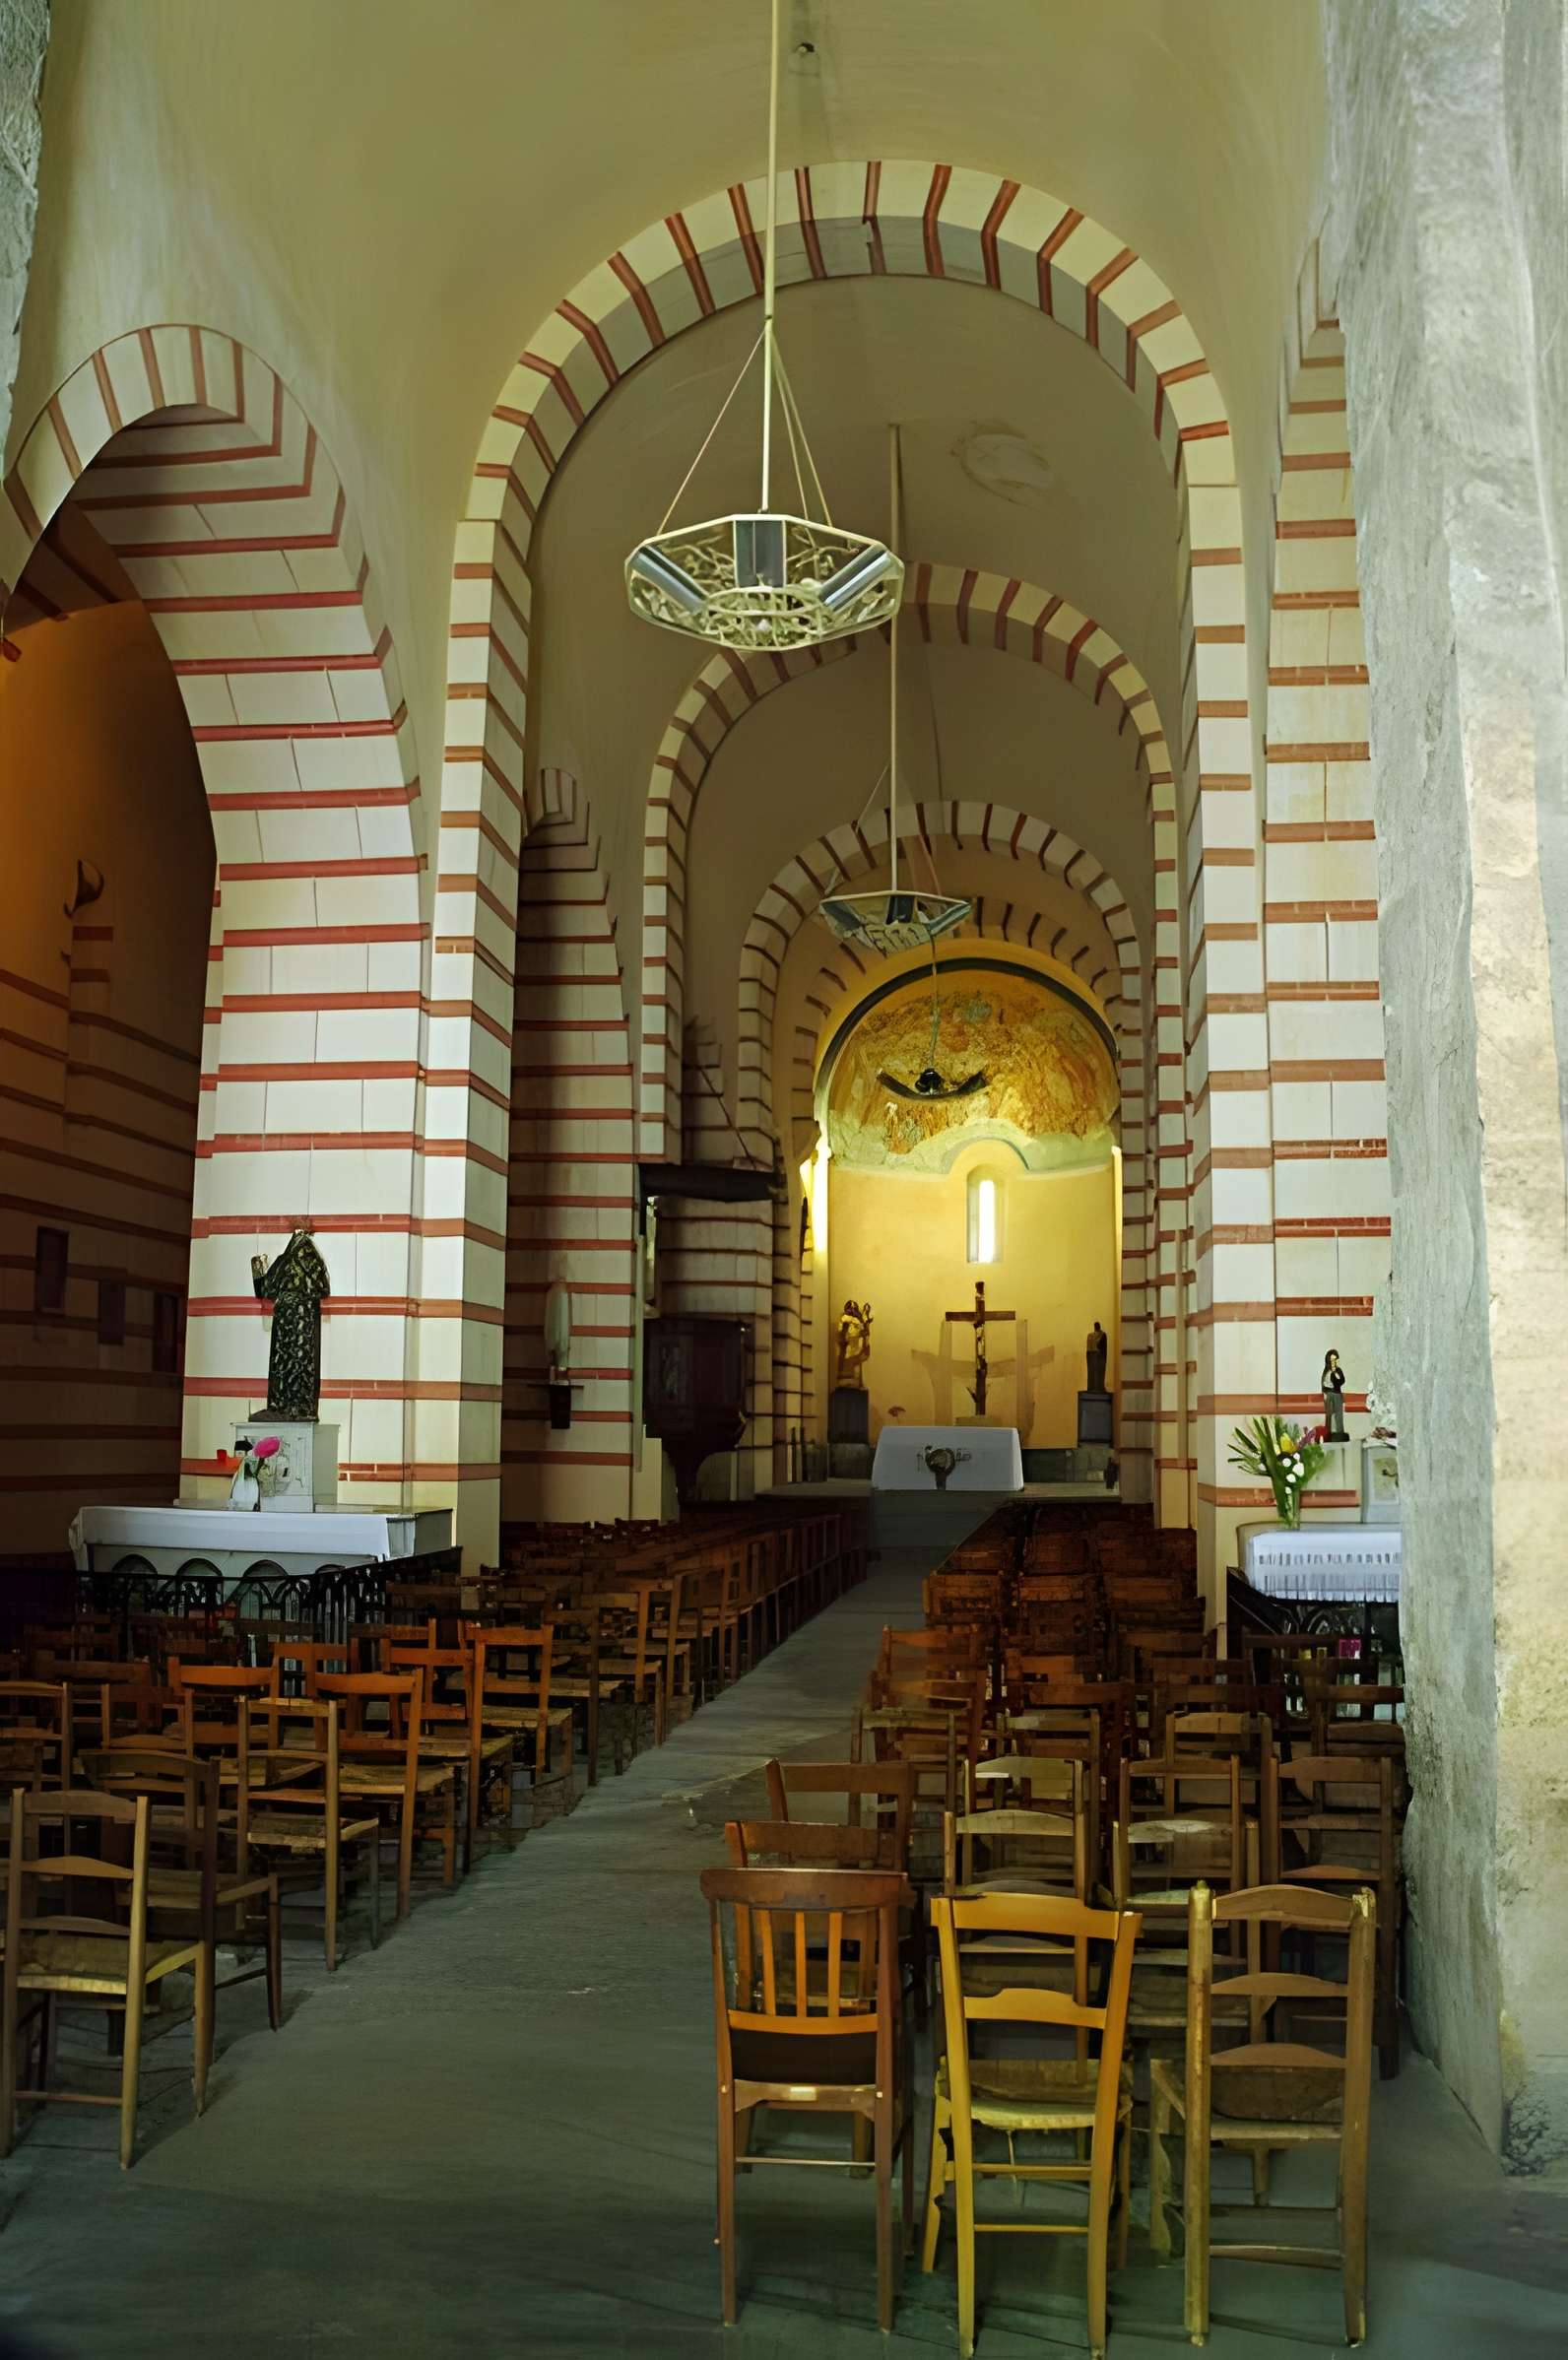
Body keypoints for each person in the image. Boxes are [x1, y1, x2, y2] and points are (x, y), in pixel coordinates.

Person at [836, 1298, 873, 1388]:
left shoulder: (857, 1320)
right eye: (850, 1307)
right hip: (848, 1348)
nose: (852, 1310)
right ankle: (848, 1380)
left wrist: (864, 1329)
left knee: (856, 1366)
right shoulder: (844, 1319)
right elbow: (842, 1332)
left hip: (856, 1347)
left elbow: (862, 1330)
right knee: (848, 1364)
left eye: (854, 1307)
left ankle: (856, 1382)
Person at [1322, 1346, 1348, 1442]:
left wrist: (1334, 1372)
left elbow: (1341, 1381)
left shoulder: (1338, 1371)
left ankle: (1340, 1436)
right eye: (1331, 1359)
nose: (1333, 1361)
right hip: (1328, 1394)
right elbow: (1324, 1383)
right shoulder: (1326, 1370)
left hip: (1336, 1394)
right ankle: (1328, 1436)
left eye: (1335, 1359)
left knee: (1338, 1416)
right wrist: (1324, 1394)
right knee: (1328, 1416)